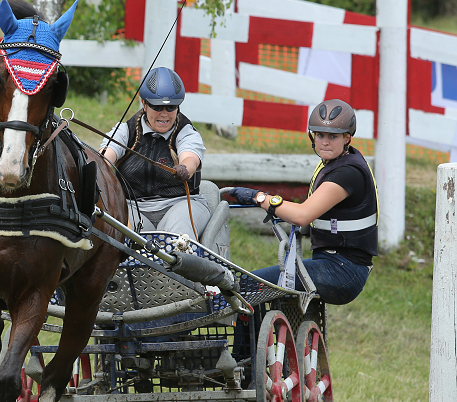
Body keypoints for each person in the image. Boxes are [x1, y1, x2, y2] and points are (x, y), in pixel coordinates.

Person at [228, 99, 379, 305]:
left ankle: (242, 336)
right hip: (337, 264)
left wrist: (259, 198)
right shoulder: (337, 162)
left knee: (247, 284)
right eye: (320, 135)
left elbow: (302, 215)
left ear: (347, 138)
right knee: (255, 286)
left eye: (333, 136)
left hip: (342, 270)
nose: (325, 141)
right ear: (312, 136)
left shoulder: (347, 173)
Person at [100, 67, 209, 239]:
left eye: (171, 107)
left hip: (181, 205)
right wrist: (102, 165)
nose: (164, 114)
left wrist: (185, 169)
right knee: (123, 232)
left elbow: (190, 158)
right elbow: (106, 156)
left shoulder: (186, 132)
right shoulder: (125, 131)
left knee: (178, 232)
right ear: (144, 103)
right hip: (134, 208)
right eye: (157, 107)